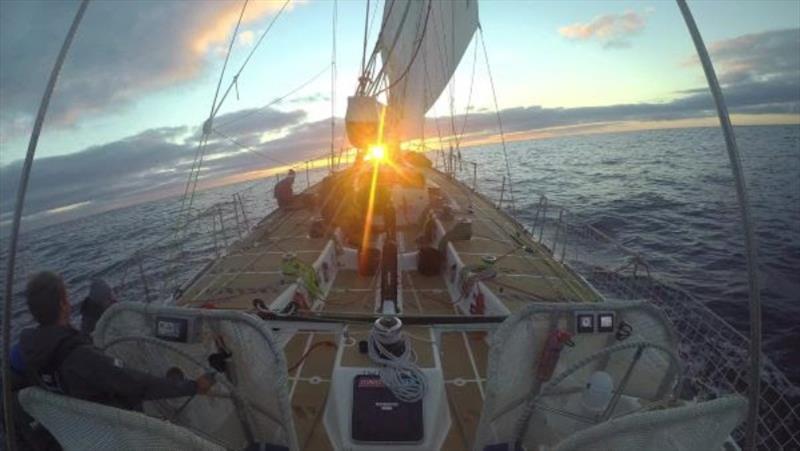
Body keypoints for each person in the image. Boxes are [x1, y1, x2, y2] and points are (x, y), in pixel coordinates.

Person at [18, 271, 214, 411]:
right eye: (66, 297)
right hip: (123, 427)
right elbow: (136, 384)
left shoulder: (30, 355)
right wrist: (193, 386)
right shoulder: (80, 357)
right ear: (62, 304)